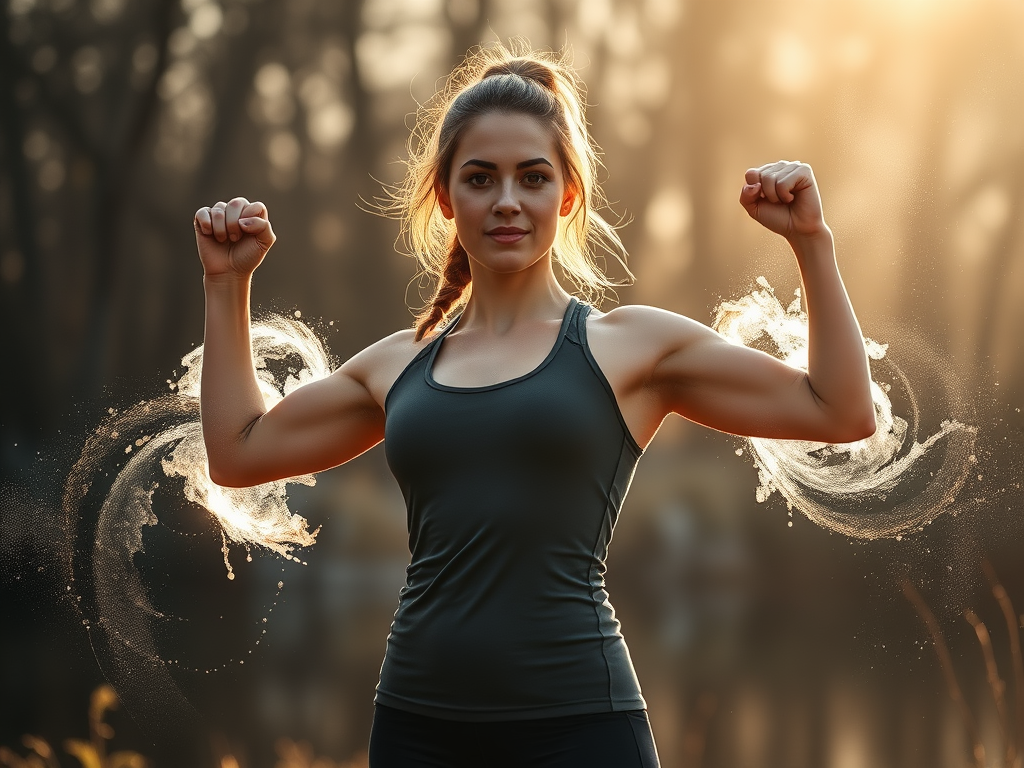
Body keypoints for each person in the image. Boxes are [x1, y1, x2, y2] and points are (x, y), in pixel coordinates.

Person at [193, 44, 875, 768]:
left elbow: (839, 410)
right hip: (418, 729)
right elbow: (238, 453)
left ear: (568, 195)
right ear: (447, 198)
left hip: (581, 729)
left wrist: (812, 243)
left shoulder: (630, 348)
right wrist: (226, 285)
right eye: (481, 179)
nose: (508, 200)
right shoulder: (398, 365)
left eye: (534, 177)